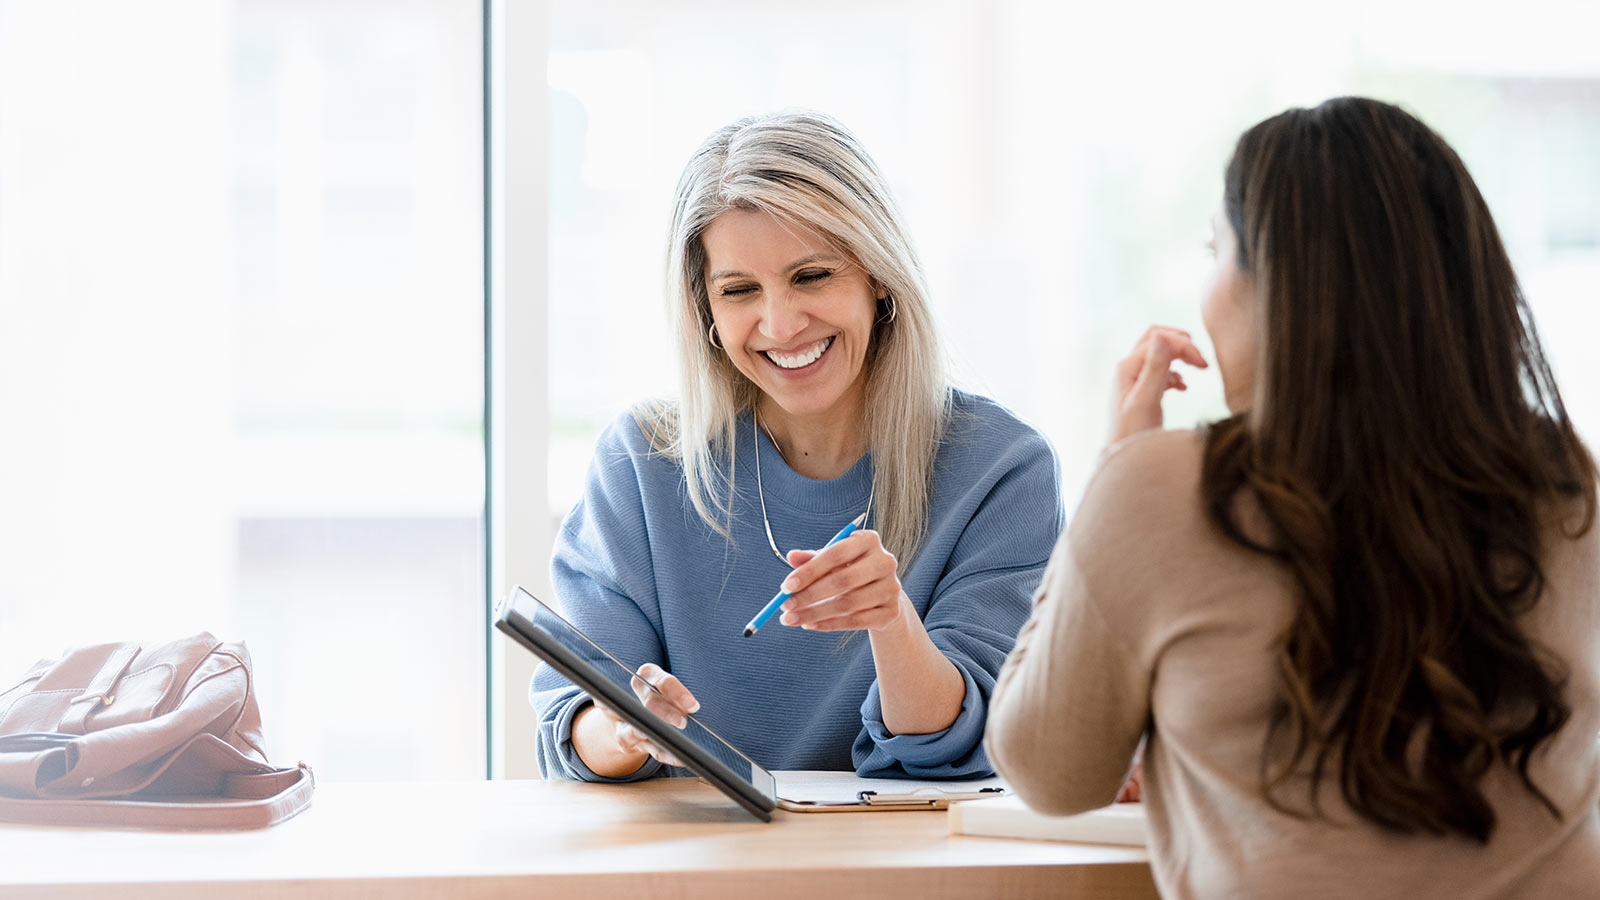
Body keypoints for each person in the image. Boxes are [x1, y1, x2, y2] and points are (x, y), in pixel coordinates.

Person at [987, 97, 1600, 899]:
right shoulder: (1564, 481)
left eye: (1216, 247)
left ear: (1276, 281)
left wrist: (1117, 467)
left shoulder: (1164, 487)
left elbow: (1050, 773)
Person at [533, 110, 1063, 781]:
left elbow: (961, 744)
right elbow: (572, 727)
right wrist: (624, 725)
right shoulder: (639, 463)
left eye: (812, 277)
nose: (781, 325)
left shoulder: (1002, 470)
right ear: (705, 311)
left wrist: (891, 620)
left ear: (878, 275)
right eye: (739, 291)